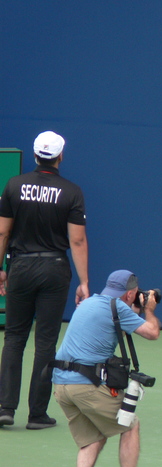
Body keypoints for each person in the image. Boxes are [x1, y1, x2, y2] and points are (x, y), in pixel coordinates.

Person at [0, 131, 89, 430]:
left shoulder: (14, 185)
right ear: (60, 156)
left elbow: (3, 233)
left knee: (14, 337)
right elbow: (77, 241)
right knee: (46, 342)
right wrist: (84, 281)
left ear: (36, 155)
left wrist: (1, 269)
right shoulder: (72, 191)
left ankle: (5, 408)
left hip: (21, 268)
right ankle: (37, 414)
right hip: (54, 270)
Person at [51, 269, 160, 467]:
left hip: (60, 385)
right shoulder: (119, 308)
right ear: (131, 293)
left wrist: (136, 308)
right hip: (85, 387)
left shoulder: (89, 303)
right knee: (130, 424)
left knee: (93, 436)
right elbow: (152, 333)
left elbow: (117, 324)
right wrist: (149, 309)